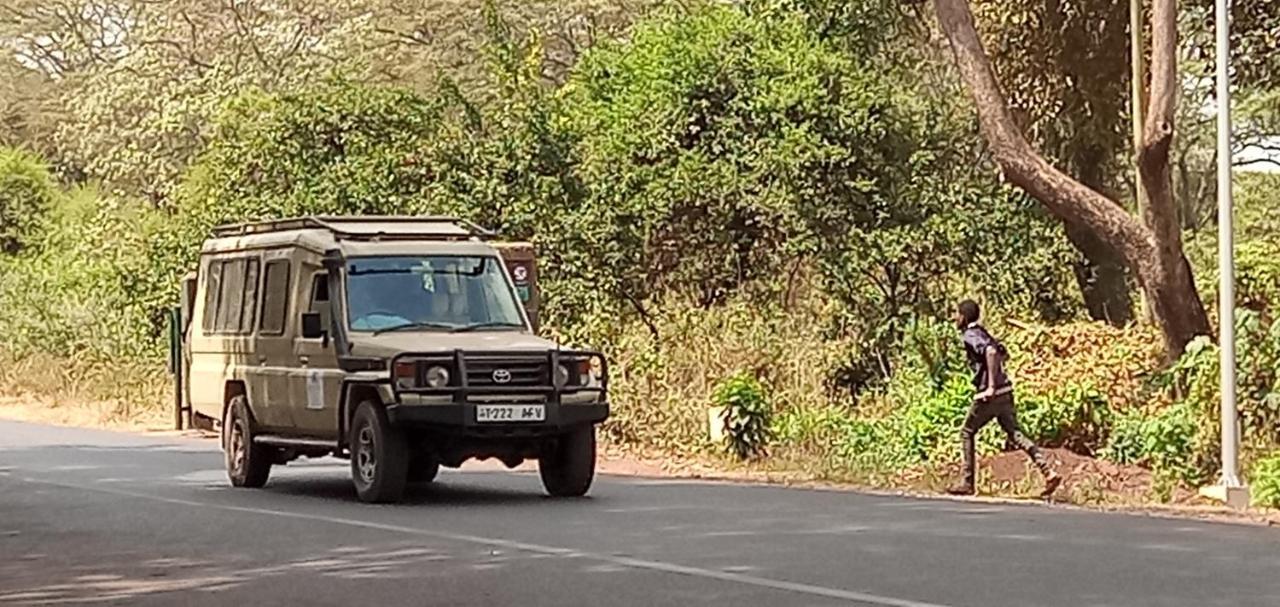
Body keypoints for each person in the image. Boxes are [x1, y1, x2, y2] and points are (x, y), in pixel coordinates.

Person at [947, 299, 1062, 499]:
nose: (954, 318)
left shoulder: (970, 335)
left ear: (963, 317)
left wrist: (990, 386)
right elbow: (1001, 351)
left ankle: (967, 483)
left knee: (966, 432)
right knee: (1015, 433)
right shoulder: (984, 332)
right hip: (1006, 391)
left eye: (956, 314)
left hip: (990, 393)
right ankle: (1048, 471)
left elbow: (991, 352)